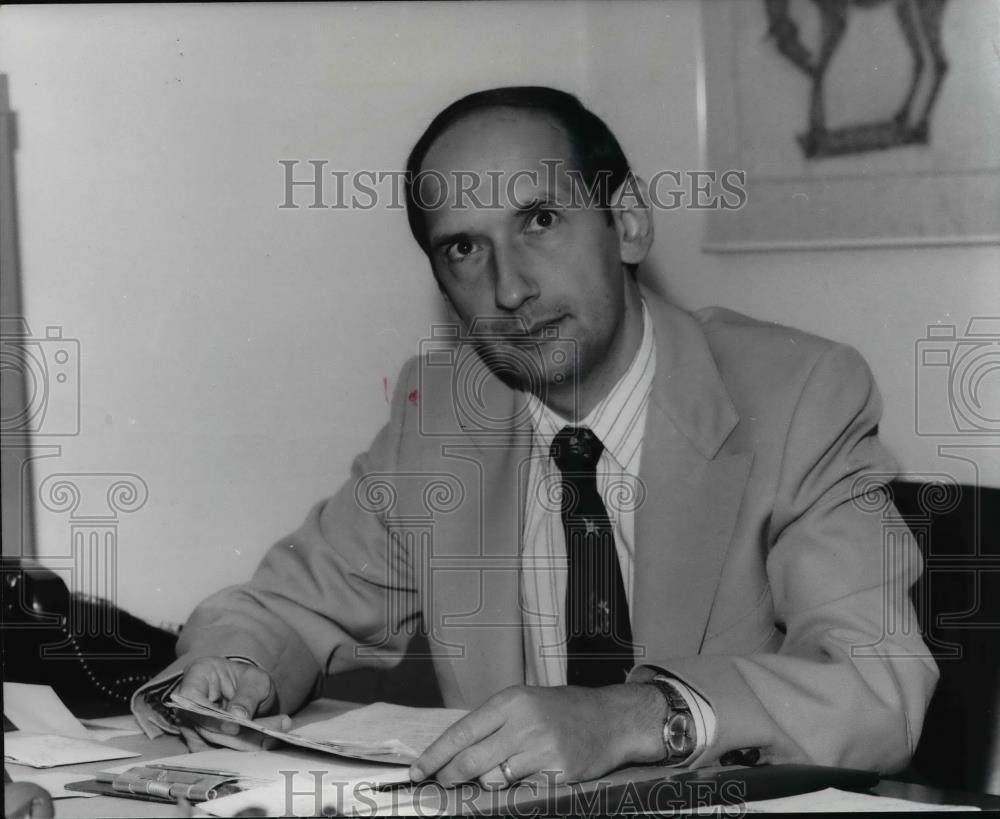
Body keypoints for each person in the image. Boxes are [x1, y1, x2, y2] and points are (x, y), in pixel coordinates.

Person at [133, 86, 938, 788]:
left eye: (541, 220)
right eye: (464, 248)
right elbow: (278, 607)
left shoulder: (798, 395)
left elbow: (878, 685)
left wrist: (632, 716)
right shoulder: (441, 416)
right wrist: (238, 669)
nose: (510, 287)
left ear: (627, 223)